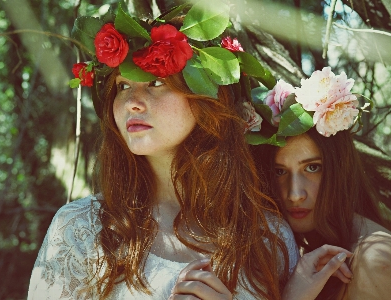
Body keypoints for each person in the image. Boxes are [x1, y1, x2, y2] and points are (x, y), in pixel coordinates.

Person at [28, 3, 352, 299]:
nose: (131, 103)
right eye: (123, 86)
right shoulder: (79, 229)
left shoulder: (268, 238)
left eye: (155, 82)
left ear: (207, 97)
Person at [252, 67, 391, 299]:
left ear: (340, 170)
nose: (294, 194)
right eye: (279, 171)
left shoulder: (375, 262)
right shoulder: (302, 253)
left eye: (312, 168)